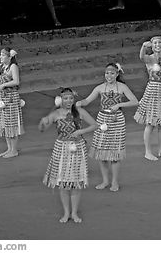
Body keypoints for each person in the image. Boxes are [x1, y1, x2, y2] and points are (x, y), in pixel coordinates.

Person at [75, 63, 139, 192]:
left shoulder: (122, 87)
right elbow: (87, 101)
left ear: (117, 74)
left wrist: (119, 104)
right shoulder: (99, 88)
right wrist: (77, 103)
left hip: (117, 121)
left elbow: (135, 101)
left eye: (112, 73)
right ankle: (105, 181)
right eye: (107, 73)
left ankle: (114, 182)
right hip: (102, 120)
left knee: (115, 153)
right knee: (102, 153)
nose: (109, 75)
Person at [39, 88, 98, 223]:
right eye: (66, 98)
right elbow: (42, 129)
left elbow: (95, 125)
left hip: (77, 148)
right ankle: (66, 213)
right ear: (61, 100)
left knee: (76, 182)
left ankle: (74, 213)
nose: (69, 101)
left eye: (71, 98)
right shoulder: (56, 114)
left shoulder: (80, 112)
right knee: (63, 183)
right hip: (61, 148)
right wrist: (43, 122)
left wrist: (80, 131)